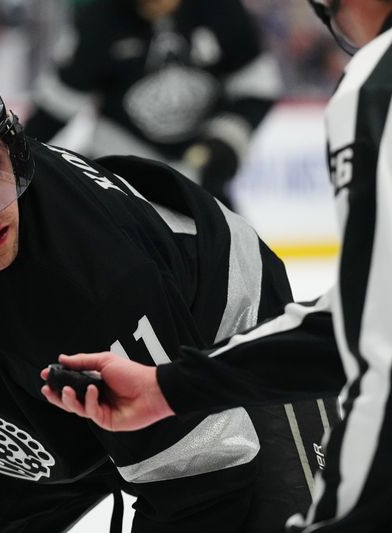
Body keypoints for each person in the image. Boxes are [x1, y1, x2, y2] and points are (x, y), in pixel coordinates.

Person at [0, 45, 338, 533]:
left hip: (216, 346)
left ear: (14, 147)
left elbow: (204, 480)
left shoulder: (94, 277)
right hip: (51, 392)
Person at [41, 0, 392, 531]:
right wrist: (169, 388)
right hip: (124, 203)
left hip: (201, 208)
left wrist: (217, 150)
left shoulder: (371, 79)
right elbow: (51, 110)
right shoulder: (97, 21)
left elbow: (373, 331)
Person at [24, 0, 282, 209]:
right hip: (121, 179)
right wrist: (17, 155)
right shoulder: (100, 20)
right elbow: (54, 110)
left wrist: (224, 142)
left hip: (199, 177)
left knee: (239, 261)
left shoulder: (221, 9)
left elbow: (257, 88)